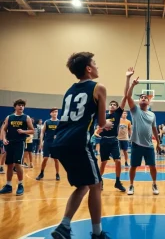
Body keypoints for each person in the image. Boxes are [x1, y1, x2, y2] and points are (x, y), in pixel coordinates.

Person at [50, 52, 112, 239]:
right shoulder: (99, 88)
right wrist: (106, 124)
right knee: (96, 185)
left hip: (59, 141)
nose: (97, 66)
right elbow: (101, 122)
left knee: (83, 185)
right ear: (88, 68)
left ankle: (64, 226)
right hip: (78, 141)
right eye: (94, 63)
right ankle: (97, 233)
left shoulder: (69, 90)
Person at [99, 68, 134, 192]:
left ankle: (118, 182)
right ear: (108, 106)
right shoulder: (103, 115)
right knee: (103, 163)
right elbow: (98, 126)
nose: (113, 105)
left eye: (115, 104)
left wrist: (128, 78)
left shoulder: (117, 114)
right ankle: (99, 180)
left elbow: (125, 96)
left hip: (114, 140)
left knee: (118, 161)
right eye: (111, 104)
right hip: (103, 141)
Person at [126, 75, 161, 195]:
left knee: (153, 166)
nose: (143, 98)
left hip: (149, 145)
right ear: (139, 101)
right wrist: (132, 84)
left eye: (145, 97)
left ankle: (154, 184)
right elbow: (128, 96)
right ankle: (131, 185)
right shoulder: (135, 110)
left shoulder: (152, 115)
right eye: (141, 97)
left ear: (149, 101)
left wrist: (158, 143)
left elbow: (154, 129)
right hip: (136, 144)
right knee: (133, 167)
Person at [0, 99, 34, 196]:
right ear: (15, 107)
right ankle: (8, 185)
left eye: (23, 105)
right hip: (9, 143)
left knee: (18, 164)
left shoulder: (26, 117)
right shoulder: (9, 117)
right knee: (9, 164)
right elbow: (4, 129)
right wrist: (4, 139)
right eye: (19, 105)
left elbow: (32, 130)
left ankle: (20, 185)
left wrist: (23, 131)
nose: (21, 107)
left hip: (20, 143)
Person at [36, 108, 60, 181]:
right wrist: (41, 142)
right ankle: (41, 173)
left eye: (56, 112)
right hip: (47, 142)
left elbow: (62, 132)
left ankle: (57, 174)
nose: (55, 113)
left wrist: (58, 137)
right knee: (45, 158)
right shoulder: (47, 122)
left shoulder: (60, 122)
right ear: (50, 113)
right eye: (53, 112)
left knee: (56, 159)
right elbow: (42, 132)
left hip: (56, 143)